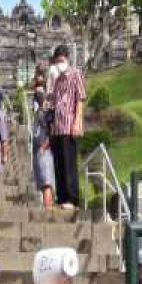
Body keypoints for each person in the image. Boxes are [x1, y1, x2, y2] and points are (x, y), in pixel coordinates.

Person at [46, 45, 85, 209]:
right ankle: (62, 197)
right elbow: (51, 101)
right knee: (59, 163)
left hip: (69, 125)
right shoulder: (56, 78)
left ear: (67, 59)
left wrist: (78, 122)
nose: (59, 64)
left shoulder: (76, 74)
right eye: (57, 62)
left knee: (69, 163)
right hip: (56, 126)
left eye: (61, 61)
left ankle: (72, 198)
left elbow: (80, 98)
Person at [32, 109, 55, 209]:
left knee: (46, 185)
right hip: (42, 152)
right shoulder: (43, 114)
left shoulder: (41, 114)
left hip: (42, 151)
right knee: (46, 184)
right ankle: (48, 209)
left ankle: (48, 209)